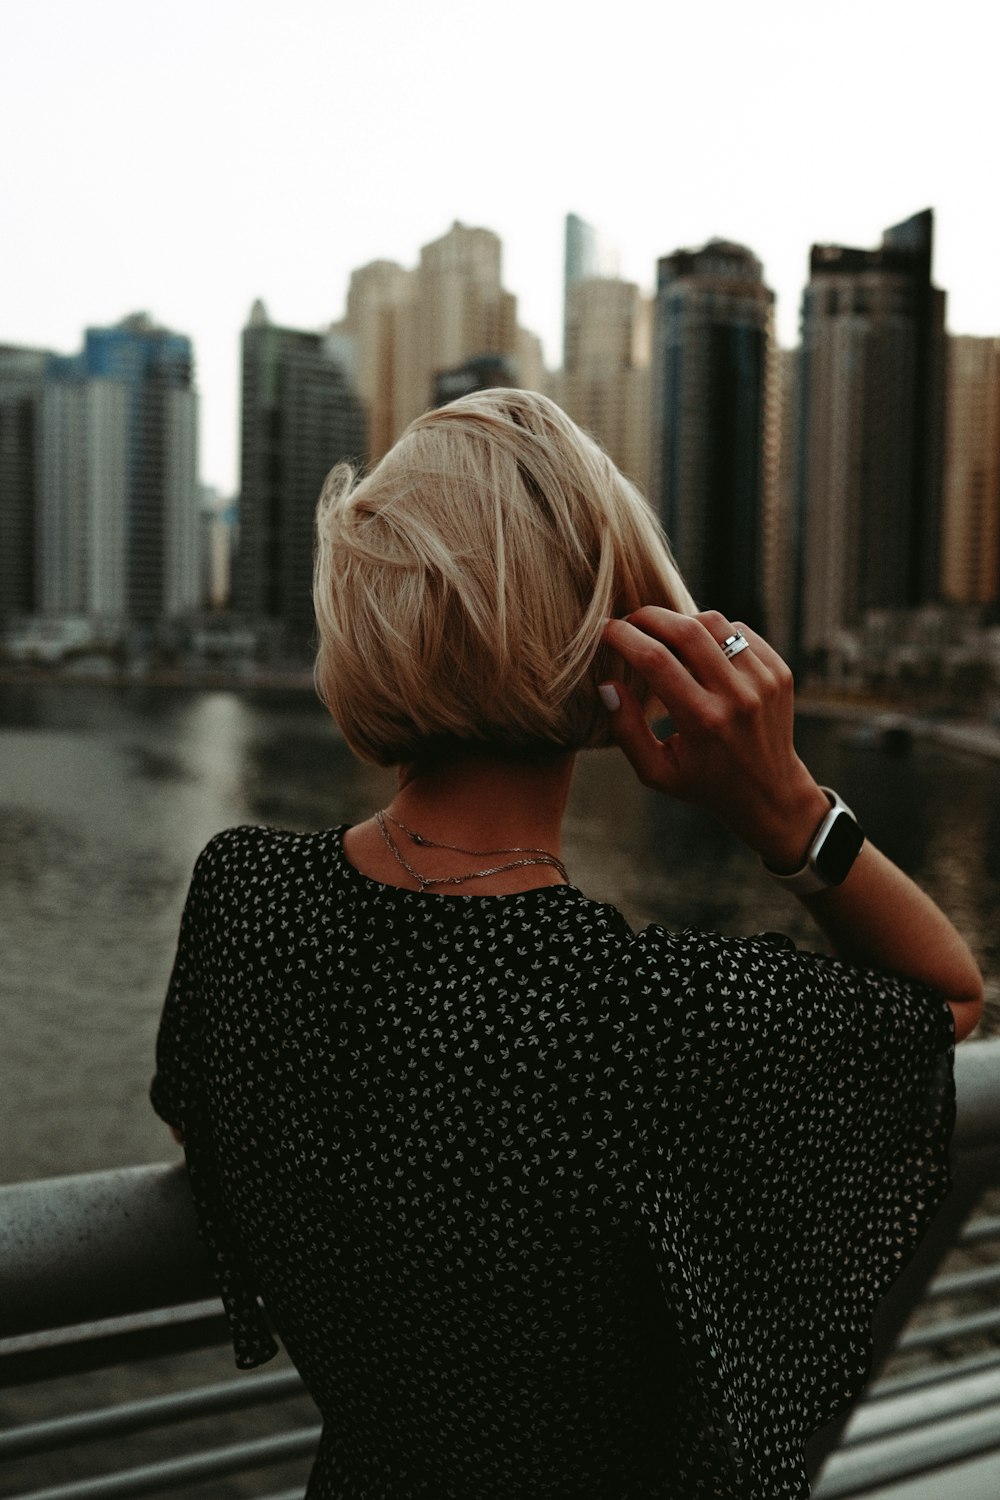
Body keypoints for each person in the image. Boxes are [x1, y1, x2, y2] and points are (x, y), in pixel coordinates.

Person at [152, 388, 983, 1499]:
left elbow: (199, 1108)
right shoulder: (639, 1018)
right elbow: (943, 1000)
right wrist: (780, 806)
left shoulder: (242, 899)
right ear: (614, 642)